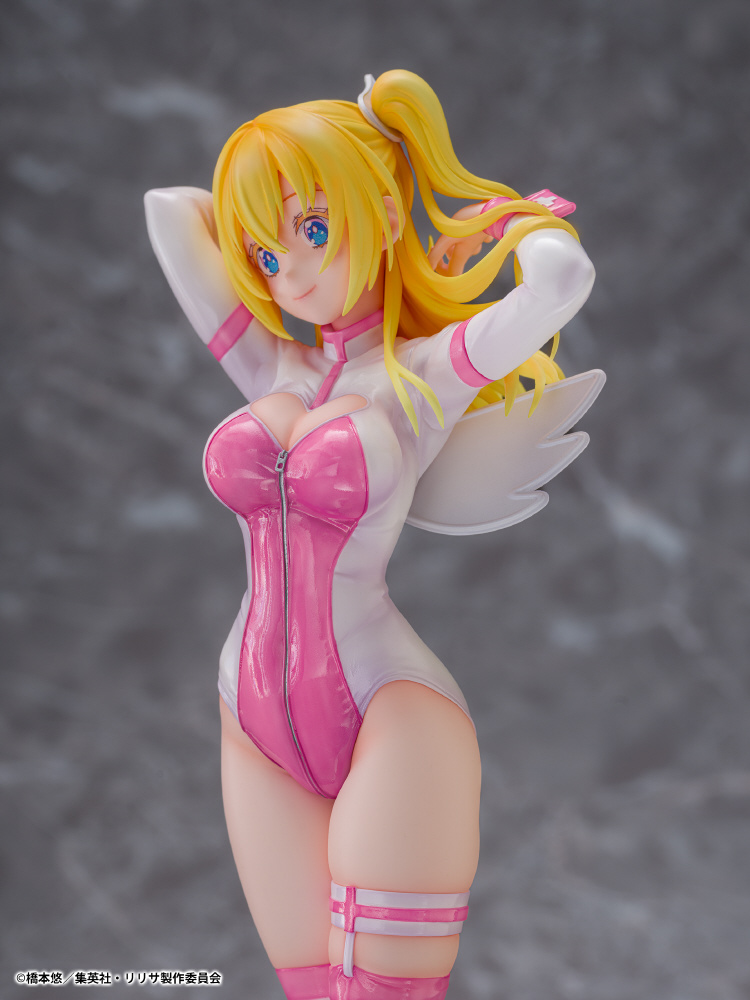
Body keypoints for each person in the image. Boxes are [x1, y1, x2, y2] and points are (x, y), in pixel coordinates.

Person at [145, 69, 596, 1000]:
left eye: (314, 231)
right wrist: (329, 157)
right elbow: (170, 211)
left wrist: (513, 220)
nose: (293, 274)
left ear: (385, 215)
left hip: (390, 713)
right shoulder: (273, 364)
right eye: (265, 253)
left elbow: (562, 283)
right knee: (311, 990)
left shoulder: (427, 374)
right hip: (249, 716)